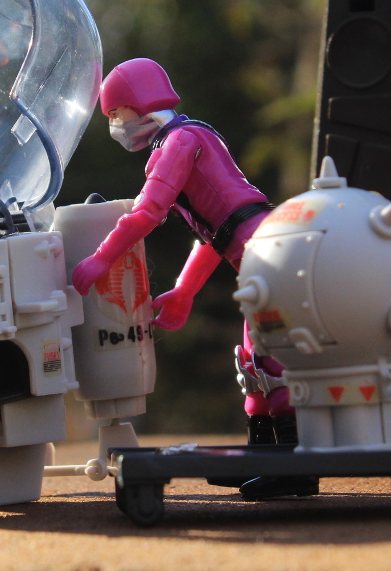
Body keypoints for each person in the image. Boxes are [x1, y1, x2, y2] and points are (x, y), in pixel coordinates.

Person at [71, 58, 307, 471]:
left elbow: (147, 212)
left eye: (115, 114)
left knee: (270, 356)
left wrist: (101, 258)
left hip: (265, 251)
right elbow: (219, 233)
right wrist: (184, 290)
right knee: (254, 358)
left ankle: (291, 467)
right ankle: (265, 461)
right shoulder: (191, 135)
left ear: (137, 103)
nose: (116, 125)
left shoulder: (178, 142)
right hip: (260, 248)